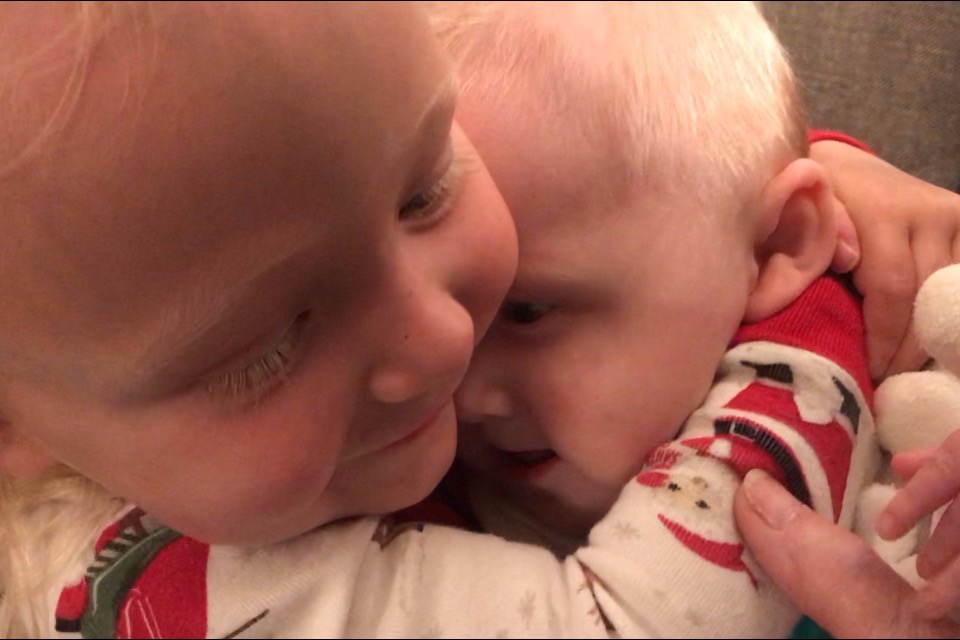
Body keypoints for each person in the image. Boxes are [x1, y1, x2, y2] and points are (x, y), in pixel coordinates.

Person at [0, 2, 865, 638]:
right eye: (266, 347)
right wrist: (823, 304)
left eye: (425, 190)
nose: (449, 345)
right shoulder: (168, 591)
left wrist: (790, 193)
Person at [421, 1, 876, 635]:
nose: (465, 395)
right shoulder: (382, 507)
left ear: (778, 245)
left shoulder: (920, 457)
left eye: (527, 312)